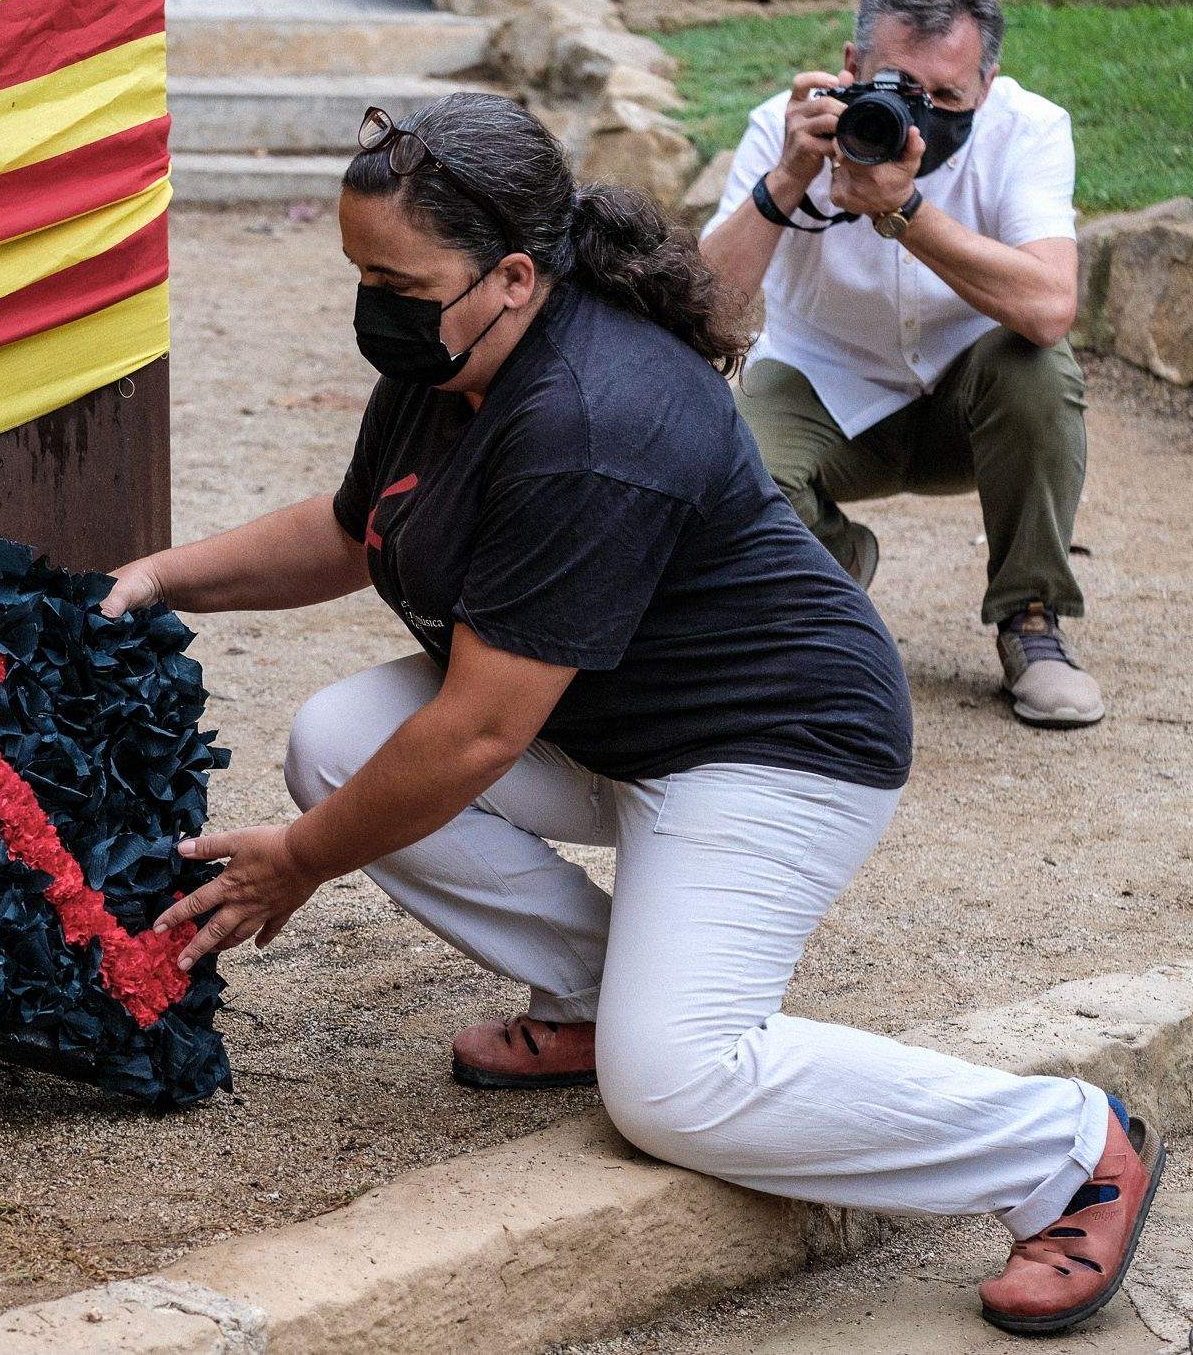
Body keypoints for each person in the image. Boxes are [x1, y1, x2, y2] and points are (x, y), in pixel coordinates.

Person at [101, 93, 1160, 1334]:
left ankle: (1060, 1150)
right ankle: (597, 998)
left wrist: (298, 861)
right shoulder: (454, 355)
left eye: (395, 282)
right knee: (336, 742)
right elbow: (353, 528)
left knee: (674, 1090)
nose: (372, 306)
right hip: (611, 722)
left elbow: (478, 732)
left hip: (772, 747)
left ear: (511, 275)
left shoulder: (586, 417)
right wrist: (161, 577)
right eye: (361, 276)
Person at [698, 0, 1099, 729]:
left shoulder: (1029, 129)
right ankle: (832, 563)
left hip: (971, 400)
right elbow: (702, 316)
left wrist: (904, 211)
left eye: (948, 96)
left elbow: (1050, 306)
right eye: (902, 88)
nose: (920, 116)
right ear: (852, 66)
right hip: (824, 385)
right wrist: (786, 180)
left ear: (987, 83)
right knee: (720, 447)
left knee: (1039, 366)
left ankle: (1033, 620)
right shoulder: (784, 128)